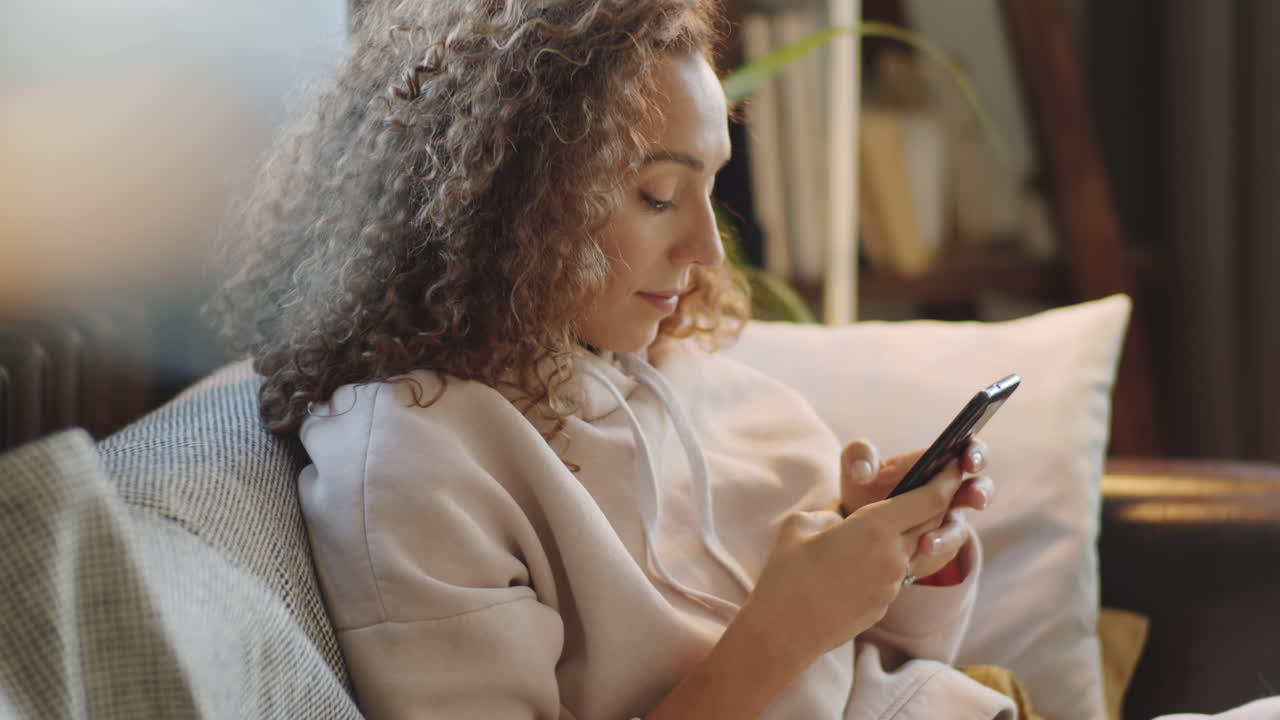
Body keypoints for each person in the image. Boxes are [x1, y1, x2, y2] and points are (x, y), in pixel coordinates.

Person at [205, 1, 1016, 718]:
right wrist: (786, 628)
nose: (705, 250)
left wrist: (896, 559)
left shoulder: (673, 365)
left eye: (710, 189)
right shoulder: (415, 461)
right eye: (658, 196)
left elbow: (884, 673)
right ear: (512, 200)